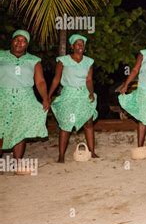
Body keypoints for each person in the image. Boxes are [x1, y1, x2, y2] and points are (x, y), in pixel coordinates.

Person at [0, 30, 49, 163]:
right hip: (2, 97)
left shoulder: (34, 61)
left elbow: (40, 81)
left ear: (27, 45)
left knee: (20, 130)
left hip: (25, 98)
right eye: (17, 39)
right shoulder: (1, 56)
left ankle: (17, 164)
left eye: (23, 41)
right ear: (12, 41)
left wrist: (45, 97)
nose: (19, 43)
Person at [49, 34, 99, 162]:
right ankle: (61, 156)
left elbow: (89, 80)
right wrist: (48, 95)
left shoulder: (88, 61)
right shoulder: (63, 60)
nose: (80, 46)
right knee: (66, 124)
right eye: (77, 44)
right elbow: (56, 79)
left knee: (88, 122)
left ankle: (92, 152)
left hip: (83, 94)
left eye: (82, 44)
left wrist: (91, 93)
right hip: (69, 95)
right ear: (72, 46)